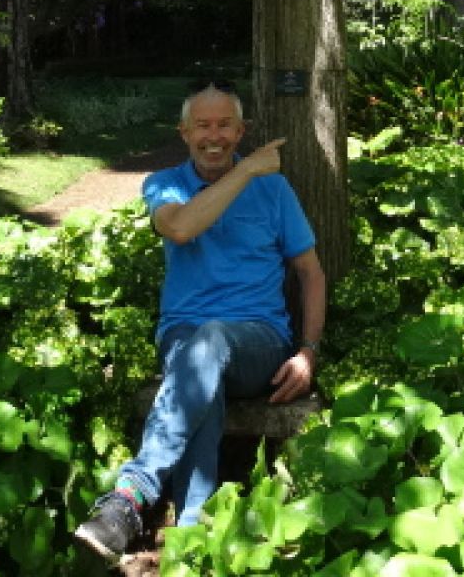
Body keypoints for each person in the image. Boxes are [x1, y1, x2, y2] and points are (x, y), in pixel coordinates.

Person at [72, 79, 326, 563]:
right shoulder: (164, 184)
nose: (214, 136)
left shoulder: (274, 190)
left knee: (209, 342)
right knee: (201, 358)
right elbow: (181, 226)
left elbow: (311, 273)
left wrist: (308, 352)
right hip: (184, 337)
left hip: (260, 342)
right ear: (184, 133)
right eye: (203, 126)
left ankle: (130, 498)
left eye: (225, 125)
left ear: (240, 130)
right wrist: (247, 169)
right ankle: (192, 538)